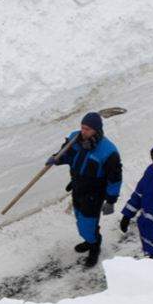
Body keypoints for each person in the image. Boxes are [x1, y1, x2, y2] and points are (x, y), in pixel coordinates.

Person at [46, 112, 123, 267]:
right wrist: (57, 158)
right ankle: (90, 239)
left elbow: (115, 179)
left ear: (97, 130)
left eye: (87, 129)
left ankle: (95, 246)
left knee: (88, 224)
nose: (83, 131)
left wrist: (111, 200)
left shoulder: (108, 151)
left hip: (94, 195)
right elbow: (66, 155)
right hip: (77, 188)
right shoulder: (75, 139)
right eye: (82, 127)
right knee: (80, 220)